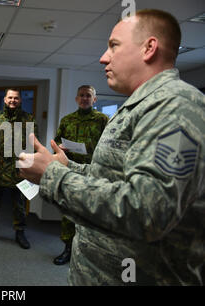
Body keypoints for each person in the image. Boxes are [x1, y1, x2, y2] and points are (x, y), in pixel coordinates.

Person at [19, 9, 204, 285]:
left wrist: (52, 176)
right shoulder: (135, 107)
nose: (104, 57)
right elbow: (112, 177)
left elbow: (147, 213)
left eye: (113, 46)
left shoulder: (175, 105)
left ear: (149, 48)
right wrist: (69, 166)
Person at [53, 85, 108, 265]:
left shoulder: (103, 120)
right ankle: (67, 249)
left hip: (93, 173)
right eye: (81, 95)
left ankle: (89, 253)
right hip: (70, 173)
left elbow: (110, 146)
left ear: (95, 99)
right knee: (69, 212)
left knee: (91, 213)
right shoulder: (67, 120)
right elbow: (57, 141)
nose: (85, 98)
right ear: (76, 99)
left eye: (88, 95)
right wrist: (60, 147)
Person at [0, 88, 37, 249]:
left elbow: (33, 146)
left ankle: (20, 232)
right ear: (5, 99)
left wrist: (31, 168)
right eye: (10, 97)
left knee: (19, 204)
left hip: (19, 170)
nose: (13, 100)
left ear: (20, 100)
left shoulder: (28, 119)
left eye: (16, 98)